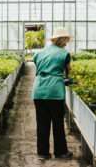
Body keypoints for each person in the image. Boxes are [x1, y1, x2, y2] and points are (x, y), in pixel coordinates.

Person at [30, 28, 73, 160]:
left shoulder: (39, 53)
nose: (67, 42)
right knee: (57, 123)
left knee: (42, 123)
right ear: (62, 40)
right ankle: (60, 152)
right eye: (66, 40)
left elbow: (39, 67)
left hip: (39, 90)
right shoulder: (64, 54)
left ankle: (42, 153)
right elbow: (68, 72)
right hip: (54, 91)